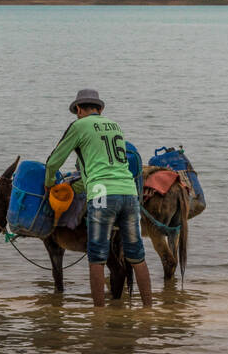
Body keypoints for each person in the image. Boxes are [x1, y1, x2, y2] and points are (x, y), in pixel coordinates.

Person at [45, 89, 152, 307]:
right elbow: (105, 167)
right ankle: (149, 309)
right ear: (100, 109)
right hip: (130, 192)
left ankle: (99, 315)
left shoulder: (78, 126)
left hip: (102, 193)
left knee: (97, 256)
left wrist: (50, 185)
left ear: (78, 110)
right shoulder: (116, 126)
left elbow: (54, 161)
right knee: (136, 255)